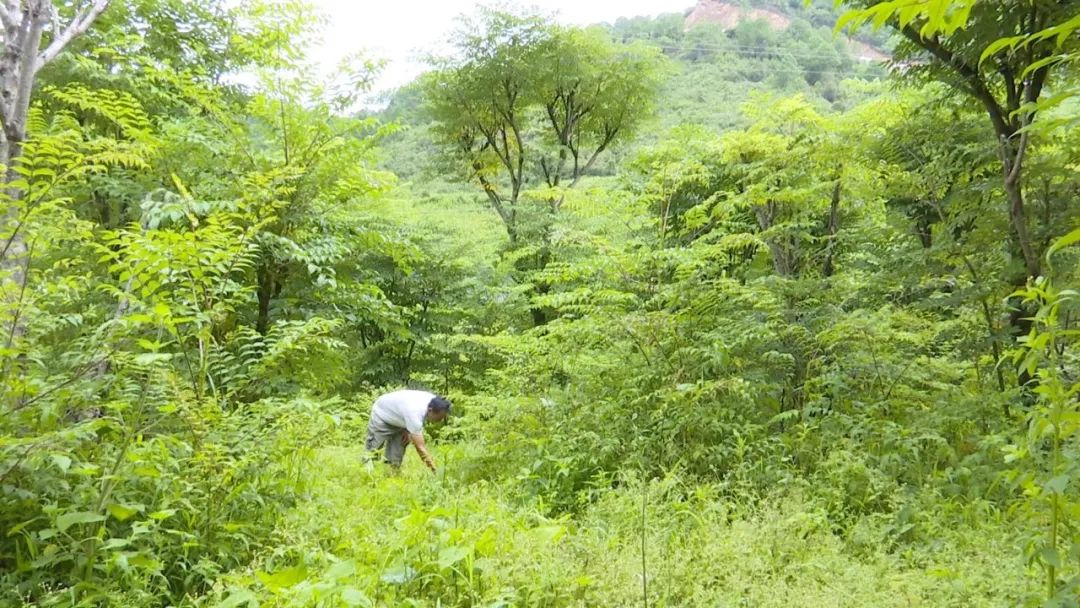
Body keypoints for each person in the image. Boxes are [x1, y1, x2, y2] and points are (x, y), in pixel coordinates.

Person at [364, 389, 450, 472]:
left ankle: (391, 476)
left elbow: (406, 410)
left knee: (397, 452)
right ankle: (368, 477)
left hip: (401, 417)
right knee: (372, 452)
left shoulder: (436, 402)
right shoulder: (415, 413)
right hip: (382, 414)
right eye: (440, 417)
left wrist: (407, 430)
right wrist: (435, 471)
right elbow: (420, 448)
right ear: (430, 410)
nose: (441, 420)